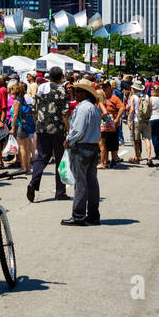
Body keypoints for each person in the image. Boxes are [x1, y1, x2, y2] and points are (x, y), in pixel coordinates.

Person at [61, 78, 103, 226]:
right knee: (91, 183)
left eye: (78, 91)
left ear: (85, 93)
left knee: (81, 183)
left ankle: (78, 215)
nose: (75, 93)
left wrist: (69, 140)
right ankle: (93, 214)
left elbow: (78, 130)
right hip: (92, 147)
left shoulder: (84, 108)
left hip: (82, 147)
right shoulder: (93, 108)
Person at [27, 67, 70, 203]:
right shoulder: (60, 90)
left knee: (42, 157)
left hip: (42, 129)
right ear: (61, 77)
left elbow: (33, 110)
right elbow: (65, 113)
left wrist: (37, 124)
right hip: (57, 130)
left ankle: (33, 182)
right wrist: (68, 129)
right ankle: (60, 191)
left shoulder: (40, 89)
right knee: (60, 160)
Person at [10, 80, 36, 176]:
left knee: (22, 147)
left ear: (15, 91)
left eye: (12, 89)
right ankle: (28, 167)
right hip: (27, 125)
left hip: (20, 125)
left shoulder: (16, 101)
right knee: (26, 146)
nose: (10, 91)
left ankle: (23, 167)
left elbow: (15, 115)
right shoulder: (23, 99)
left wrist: (12, 128)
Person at [128, 79, 155, 166]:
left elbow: (132, 110)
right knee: (147, 139)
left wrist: (129, 121)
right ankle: (149, 157)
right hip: (146, 121)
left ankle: (137, 157)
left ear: (134, 89)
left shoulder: (133, 97)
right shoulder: (147, 96)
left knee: (136, 140)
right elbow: (150, 109)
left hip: (136, 121)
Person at [147, 84, 159, 160]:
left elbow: (149, 109)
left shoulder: (151, 99)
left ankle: (157, 153)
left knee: (154, 136)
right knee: (157, 135)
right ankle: (157, 151)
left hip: (153, 118)